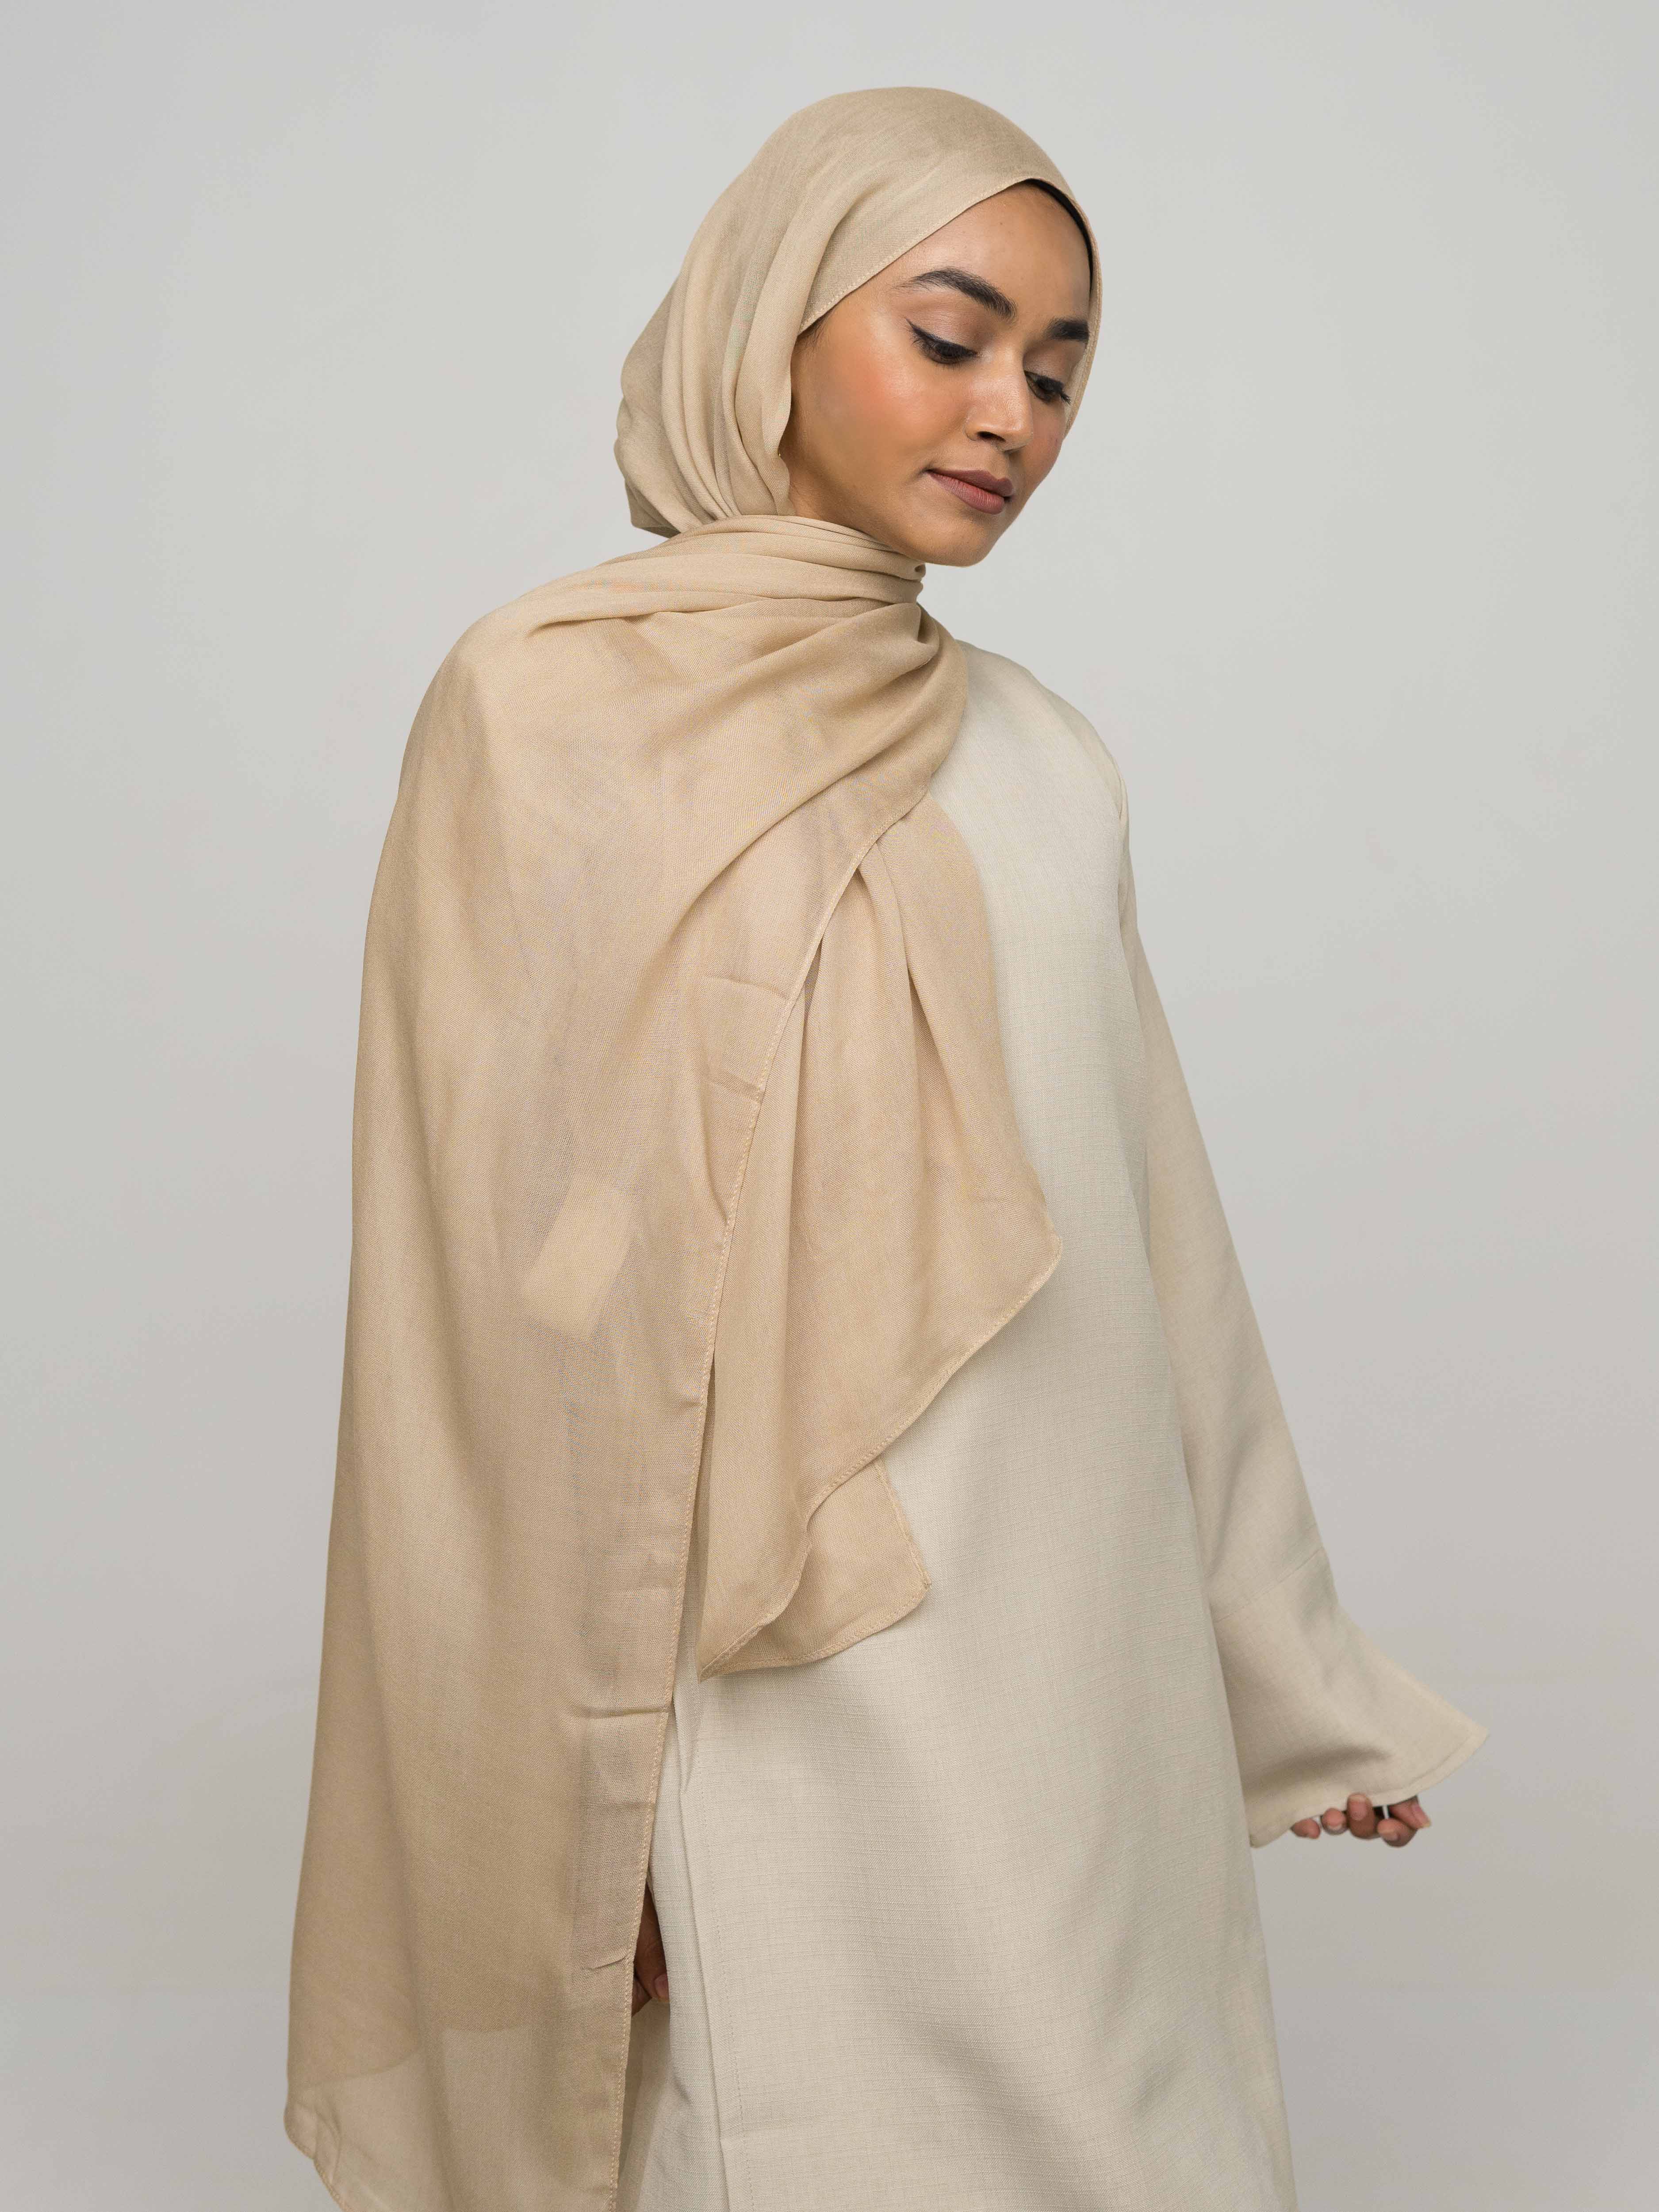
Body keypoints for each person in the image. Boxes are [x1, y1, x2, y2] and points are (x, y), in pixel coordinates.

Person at [287, 88, 1487, 2212]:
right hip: (765, 1641)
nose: (1009, 411)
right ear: (772, 320)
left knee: (1125, 2131)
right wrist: (570, 1790)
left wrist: (1284, 1679)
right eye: (948, 335)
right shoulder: (546, 707)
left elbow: (1155, 1248)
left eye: (1059, 369)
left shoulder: (1040, 756)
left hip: (1073, 1632)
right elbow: (484, 1292)